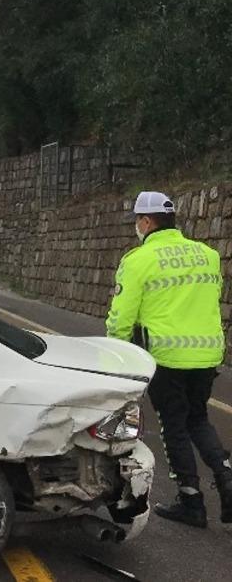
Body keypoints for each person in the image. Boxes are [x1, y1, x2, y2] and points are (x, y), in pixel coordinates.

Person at [106, 190, 232, 528]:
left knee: (174, 426)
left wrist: (115, 359)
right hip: (206, 355)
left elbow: (121, 319)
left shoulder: (137, 261)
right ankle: (228, 482)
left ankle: (191, 502)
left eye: (137, 221)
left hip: (166, 357)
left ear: (146, 221)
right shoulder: (208, 255)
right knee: (198, 419)